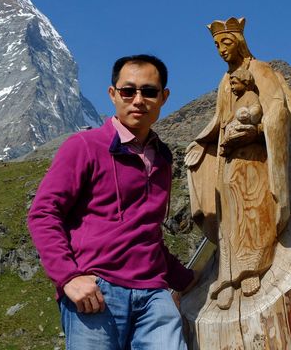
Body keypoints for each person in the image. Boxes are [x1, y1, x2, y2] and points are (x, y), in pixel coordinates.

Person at [28, 54, 196, 349]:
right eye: (128, 91)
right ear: (112, 94)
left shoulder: (163, 160)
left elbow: (147, 235)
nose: (138, 100)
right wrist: (69, 278)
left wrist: (193, 280)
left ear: (164, 97)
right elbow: (43, 213)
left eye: (149, 91)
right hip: (96, 292)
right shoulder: (84, 146)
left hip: (155, 296)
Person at [185, 17, 291, 309]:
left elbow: (276, 111)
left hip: (254, 158)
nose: (221, 50)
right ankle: (227, 277)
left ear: (239, 41)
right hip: (228, 159)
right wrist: (201, 142)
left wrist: (257, 131)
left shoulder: (260, 71)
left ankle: (250, 270)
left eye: (226, 42)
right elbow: (220, 119)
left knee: (252, 211)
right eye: (216, 45)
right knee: (229, 217)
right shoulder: (225, 81)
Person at [220, 68, 262, 156]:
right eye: (231, 84)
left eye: (234, 83)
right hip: (235, 125)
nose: (232, 87)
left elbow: (256, 107)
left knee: (242, 125)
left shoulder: (250, 94)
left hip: (245, 121)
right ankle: (229, 144)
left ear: (245, 83)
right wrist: (227, 121)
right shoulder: (237, 101)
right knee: (230, 128)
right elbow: (232, 114)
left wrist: (252, 113)